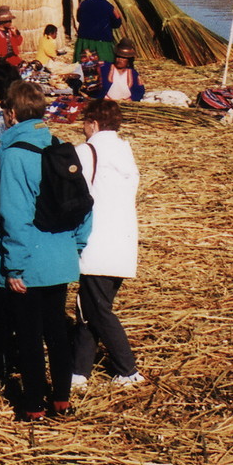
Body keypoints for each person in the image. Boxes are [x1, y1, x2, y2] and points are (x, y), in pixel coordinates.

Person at [0, 81, 92, 421]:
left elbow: (14, 215)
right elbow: (85, 205)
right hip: (59, 258)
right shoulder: (58, 147)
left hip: (28, 262)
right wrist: (76, 245)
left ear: (11, 114)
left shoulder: (14, 156)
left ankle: (33, 406)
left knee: (28, 335)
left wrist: (13, 267)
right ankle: (61, 400)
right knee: (56, 330)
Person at [70, 99, 144, 391]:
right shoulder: (125, 153)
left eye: (85, 124)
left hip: (96, 242)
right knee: (90, 308)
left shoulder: (86, 152)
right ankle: (79, 371)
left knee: (98, 310)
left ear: (94, 124)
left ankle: (127, 369)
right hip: (123, 243)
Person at [74, 0, 123, 65]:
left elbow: (78, 18)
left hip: (84, 42)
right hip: (103, 44)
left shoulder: (83, 4)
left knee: (85, 68)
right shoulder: (110, 7)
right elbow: (117, 23)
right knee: (103, 68)